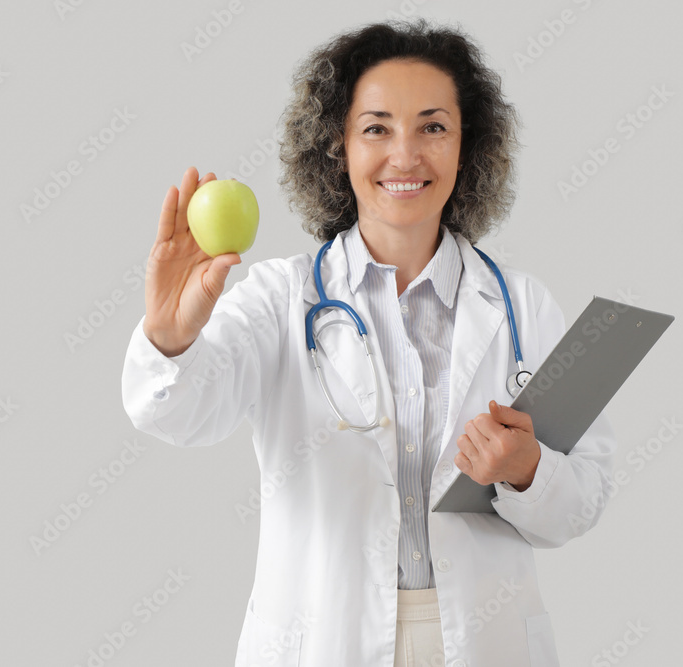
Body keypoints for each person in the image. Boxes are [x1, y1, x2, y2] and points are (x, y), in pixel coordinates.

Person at [121, 18, 617, 667]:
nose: (405, 155)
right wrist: (170, 334)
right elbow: (178, 412)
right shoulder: (280, 299)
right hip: (328, 637)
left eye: (433, 127)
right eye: (377, 128)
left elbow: (585, 498)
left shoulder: (524, 306)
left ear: (467, 146)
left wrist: (527, 470)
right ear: (339, 147)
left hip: (481, 639)